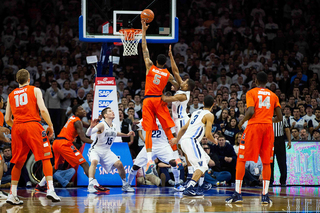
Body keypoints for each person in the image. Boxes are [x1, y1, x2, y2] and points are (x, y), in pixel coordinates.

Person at [5, 69, 60, 204]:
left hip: (17, 127)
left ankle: (12, 194)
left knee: (17, 162)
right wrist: (50, 125)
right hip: (32, 126)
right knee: (45, 157)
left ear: (17, 81)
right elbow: (42, 110)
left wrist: (18, 125)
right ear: (29, 79)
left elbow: (7, 119)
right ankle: (50, 190)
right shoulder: (35, 90)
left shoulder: (11, 94)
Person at [226, 72, 282, 204]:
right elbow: (279, 118)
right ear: (266, 81)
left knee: (241, 159)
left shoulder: (251, 92)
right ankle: (265, 196)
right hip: (268, 129)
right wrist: (268, 120)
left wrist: (241, 121)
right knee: (267, 162)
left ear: (256, 81)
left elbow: (250, 111)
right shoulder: (273, 95)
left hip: (254, 127)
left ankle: (237, 194)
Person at [36, 105, 108, 193]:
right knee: (84, 164)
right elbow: (83, 138)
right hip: (64, 144)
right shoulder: (78, 122)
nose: (84, 110)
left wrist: (97, 122)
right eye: (81, 109)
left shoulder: (73, 118)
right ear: (77, 112)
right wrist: (98, 143)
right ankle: (94, 185)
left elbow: (89, 126)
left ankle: (40, 185)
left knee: (57, 166)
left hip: (57, 142)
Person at [141, 19, 180, 173]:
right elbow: (176, 85)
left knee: (149, 130)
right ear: (165, 63)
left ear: (156, 61)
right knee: (167, 128)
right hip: (159, 99)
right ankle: (176, 156)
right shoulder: (167, 73)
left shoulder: (150, 66)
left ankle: (150, 159)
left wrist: (144, 31)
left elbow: (144, 48)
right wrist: (173, 86)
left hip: (147, 100)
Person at [171, 95, 218, 197]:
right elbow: (208, 135)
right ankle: (190, 187)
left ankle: (201, 185)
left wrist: (177, 140)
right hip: (192, 140)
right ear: (213, 105)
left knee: (206, 160)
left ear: (203, 103)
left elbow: (183, 128)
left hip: (185, 140)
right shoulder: (209, 115)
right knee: (202, 166)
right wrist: (215, 141)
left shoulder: (195, 112)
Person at [127, 118, 185, 192]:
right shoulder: (146, 118)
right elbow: (134, 128)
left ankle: (177, 184)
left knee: (173, 162)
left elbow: (173, 135)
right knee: (135, 166)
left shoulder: (165, 118)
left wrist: (175, 148)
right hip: (149, 146)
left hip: (163, 146)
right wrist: (134, 125)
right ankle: (127, 185)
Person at [86, 107, 135, 192]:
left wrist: (127, 135)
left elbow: (116, 133)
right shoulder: (102, 124)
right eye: (110, 111)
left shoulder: (114, 126)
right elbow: (88, 133)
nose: (112, 112)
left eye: (112, 110)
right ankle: (90, 185)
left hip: (106, 151)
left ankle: (125, 185)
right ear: (105, 115)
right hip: (96, 150)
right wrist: (91, 127)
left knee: (119, 164)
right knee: (94, 162)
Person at [161, 53, 196, 170]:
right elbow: (176, 72)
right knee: (177, 144)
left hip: (181, 120)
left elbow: (166, 99)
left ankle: (191, 171)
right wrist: (171, 56)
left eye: (185, 82)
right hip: (175, 120)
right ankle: (181, 167)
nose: (183, 82)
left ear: (188, 87)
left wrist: (155, 90)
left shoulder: (183, 96)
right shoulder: (182, 88)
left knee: (184, 146)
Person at [271, 114, 291, 186]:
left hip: (280, 139)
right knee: (270, 162)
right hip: (270, 140)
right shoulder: (267, 116)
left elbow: (287, 129)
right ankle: (270, 180)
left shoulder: (283, 118)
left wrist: (289, 141)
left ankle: (283, 181)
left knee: (282, 161)